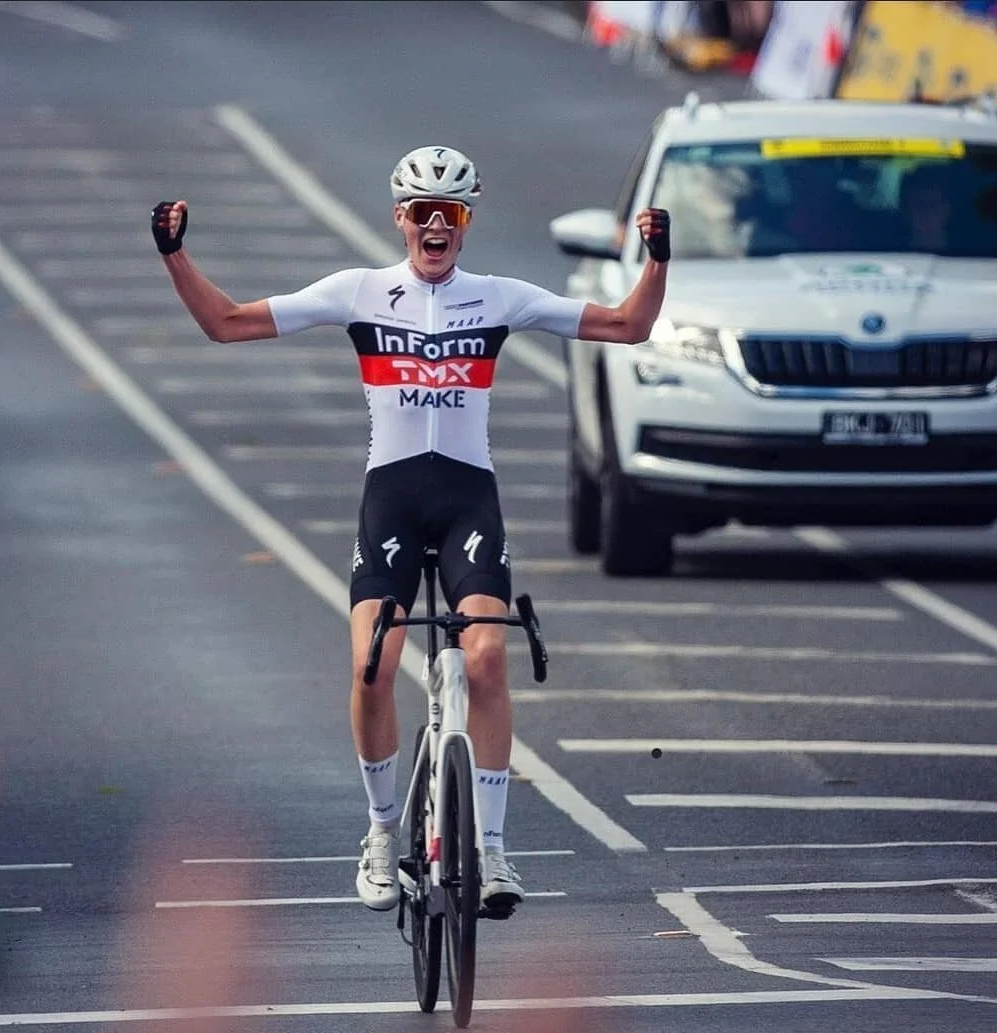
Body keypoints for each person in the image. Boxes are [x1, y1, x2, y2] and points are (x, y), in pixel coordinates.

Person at [151, 145, 670, 915]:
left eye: (450, 214)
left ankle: (493, 850)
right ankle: (380, 833)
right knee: (374, 661)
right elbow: (226, 324)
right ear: (399, 219)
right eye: (422, 214)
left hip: (468, 501)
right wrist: (175, 254)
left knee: (488, 657)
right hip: (392, 499)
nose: (435, 226)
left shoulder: (497, 298)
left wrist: (657, 260)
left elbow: (629, 326)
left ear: (466, 222)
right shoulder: (360, 292)